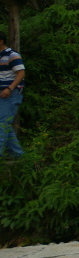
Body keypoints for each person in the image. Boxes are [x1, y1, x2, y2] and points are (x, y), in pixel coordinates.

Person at [0, 30, 26, 160]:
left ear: (1, 41)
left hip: (10, 93)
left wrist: (10, 88)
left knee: (2, 124)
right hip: (1, 94)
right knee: (4, 124)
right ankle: (18, 155)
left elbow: (21, 73)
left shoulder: (12, 55)